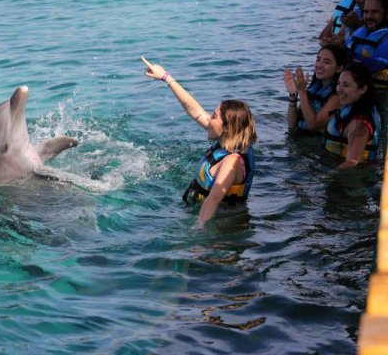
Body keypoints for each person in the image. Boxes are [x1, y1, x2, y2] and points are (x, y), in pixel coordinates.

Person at [141, 56, 257, 224]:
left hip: (222, 229)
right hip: (206, 214)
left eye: (214, 117)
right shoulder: (226, 142)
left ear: (226, 128)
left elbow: (214, 199)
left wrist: (197, 233)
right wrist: (166, 77)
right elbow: (194, 110)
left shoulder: (232, 162)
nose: (209, 119)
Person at [323, 62, 381, 168]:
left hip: (348, 182)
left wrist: (324, 179)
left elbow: (352, 162)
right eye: (338, 83)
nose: (339, 89)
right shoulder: (355, 107)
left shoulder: (358, 122)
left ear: (363, 89)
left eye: (346, 85)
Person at [284, 45, 350, 134]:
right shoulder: (315, 88)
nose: (319, 65)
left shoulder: (337, 97)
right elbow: (292, 125)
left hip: (315, 145)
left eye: (326, 62)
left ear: (338, 68)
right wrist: (293, 95)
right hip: (300, 141)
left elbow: (313, 125)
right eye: (318, 60)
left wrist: (302, 92)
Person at [345, 0, 388, 89]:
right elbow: (346, 49)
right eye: (366, 12)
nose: (369, 16)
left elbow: (375, 66)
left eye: (375, 12)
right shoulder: (361, 31)